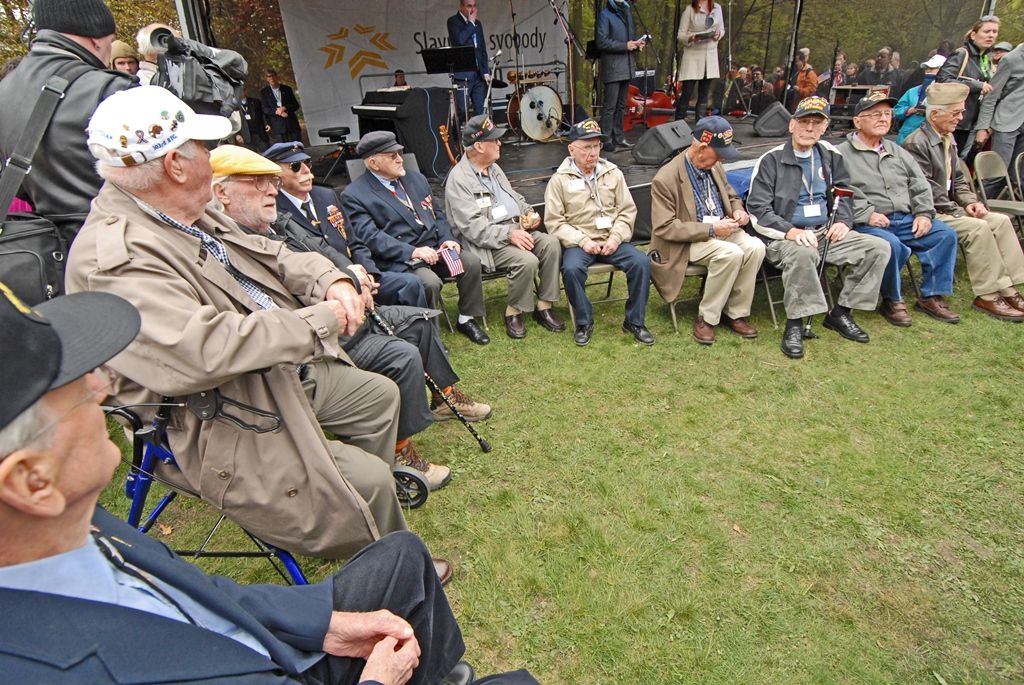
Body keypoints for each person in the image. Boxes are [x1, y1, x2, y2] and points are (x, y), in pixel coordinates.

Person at [0, 285, 539, 685]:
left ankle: (435, 673)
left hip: (280, 645)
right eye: (70, 388)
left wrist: (320, 623)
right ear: (31, 480)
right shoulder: (64, 664)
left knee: (401, 555)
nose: (102, 384)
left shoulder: (71, 529)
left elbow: (203, 594)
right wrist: (377, 682)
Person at [66, 86, 409, 561]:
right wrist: (319, 321)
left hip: (269, 370)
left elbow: (274, 253)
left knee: (378, 399)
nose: (212, 158)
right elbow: (203, 353)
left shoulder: (186, 211)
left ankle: (357, 516)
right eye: (204, 148)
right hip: (209, 414)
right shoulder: (116, 258)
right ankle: (382, 558)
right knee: (368, 481)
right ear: (175, 165)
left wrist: (330, 278)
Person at [211, 145, 491, 488]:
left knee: (419, 320)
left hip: (345, 306)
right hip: (317, 335)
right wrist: (337, 298)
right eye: (257, 183)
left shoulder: (278, 223)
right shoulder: (227, 244)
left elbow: (329, 252)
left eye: (270, 181)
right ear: (220, 193)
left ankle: (444, 396)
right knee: (401, 354)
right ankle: (400, 451)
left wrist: (349, 279)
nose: (271, 189)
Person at [747, 96, 891, 359]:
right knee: (803, 254)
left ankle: (841, 312)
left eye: (817, 122)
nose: (809, 128)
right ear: (791, 125)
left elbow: (844, 194)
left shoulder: (830, 155)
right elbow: (757, 210)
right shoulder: (770, 160)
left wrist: (842, 222)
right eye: (804, 121)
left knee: (878, 248)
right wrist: (791, 232)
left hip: (825, 231)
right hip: (785, 237)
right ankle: (795, 324)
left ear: (825, 127)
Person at [0, 0, 133, 246]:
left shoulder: (4, 90)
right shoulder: (112, 89)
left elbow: (14, 183)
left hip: (52, 253)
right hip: (125, 246)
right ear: (97, 37)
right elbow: (167, 175)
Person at [340, 131, 490, 345]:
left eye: (399, 153)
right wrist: (413, 251)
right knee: (428, 282)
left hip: (435, 248)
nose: (400, 159)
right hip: (404, 258)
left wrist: (447, 239)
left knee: (471, 263)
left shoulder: (415, 178)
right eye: (392, 156)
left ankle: (466, 318)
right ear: (373, 163)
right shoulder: (355, 195)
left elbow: (437, 214)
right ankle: (431, 336)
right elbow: (371, 237)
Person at [836, 91, 960, 327]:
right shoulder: (841, 154)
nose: (883, 119)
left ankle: (931, 296)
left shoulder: (897, 151)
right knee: (890, 245)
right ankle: (892, 299)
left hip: (905, 219)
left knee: (944, 235)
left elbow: (920, 185)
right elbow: (839, 191)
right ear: (857, 121)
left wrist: (924, 213)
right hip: (867, 223)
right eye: (875, 114)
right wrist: (866, 214)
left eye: (887, 114)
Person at [903, 82, 1024, 321]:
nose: (962, 117)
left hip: (950, 207)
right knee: (978, 228)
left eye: (961, 111)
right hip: (928, 212)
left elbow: (957, 179)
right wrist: (959, 211)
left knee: (999, 221)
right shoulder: (917, 143)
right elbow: (925, 190)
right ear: (935, 114)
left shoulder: (948, 138)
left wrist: (970, 202)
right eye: (956, 112)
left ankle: (1009, 288)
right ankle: (987, 295)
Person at [267, 141, 428, 309]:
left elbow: (354, 242)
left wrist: (368, 274)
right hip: (326, 287)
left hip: (359, 273)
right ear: (276, 175)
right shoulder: (274, 211)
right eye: (295, 166)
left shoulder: (326, 195)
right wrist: (352, 279)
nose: (307, 170)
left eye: (307, 162)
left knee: (411, 285)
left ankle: (421, 332)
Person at [445, 115, 564, 339]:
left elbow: (514, 197)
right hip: (488, 244)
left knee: (551, 244)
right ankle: (514, 311)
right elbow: (473, 228)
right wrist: (510, 234)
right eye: (495, 140)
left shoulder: (494, 168)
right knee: (526, 260)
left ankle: (544, 306)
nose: (500, 144)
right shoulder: (459, 179)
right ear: (479, 146)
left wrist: (528, 212)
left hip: (516, 230)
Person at [650, 116, 765, 345]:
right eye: (719, 153)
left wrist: (738, 210)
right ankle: (707, 318)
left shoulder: (715, 166)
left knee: (756, 247)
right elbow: (665, 227)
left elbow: (732, 196)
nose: (722, 159)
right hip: (686, 241)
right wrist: (711, 229)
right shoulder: (665, 178)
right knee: (729, 254)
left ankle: (735, 313)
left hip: (720, 229)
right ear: (702, 148)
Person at [544, 119, 654, 347]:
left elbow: (627, 211)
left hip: (612, 239)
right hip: (579, 242)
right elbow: (555, 222)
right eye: (586, 147)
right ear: (571, 149)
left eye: (596, 146)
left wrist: (616, 237)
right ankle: (584, 321)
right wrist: (582, 240)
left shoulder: (614, 173)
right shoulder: (559, 180)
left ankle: (634, 321)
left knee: (641, 262)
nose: (592, 153)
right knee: (571, 269)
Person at [938, 15, 1000, 159]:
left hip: (973, 123)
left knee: (961, 164)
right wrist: (977, 85)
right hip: (955, 121)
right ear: (973, 35)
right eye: (986, 31)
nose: (991, 35)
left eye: (995, 32)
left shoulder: (986, 59)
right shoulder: (962, 53)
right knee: (946, 161)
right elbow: (943, 80)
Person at [596, 0, 646, 152]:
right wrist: (625, 46)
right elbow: (602, 41)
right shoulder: (605, 15)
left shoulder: (627, 11)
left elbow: (629, 39)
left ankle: (619, 137)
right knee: (610, 106)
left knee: (621, 106)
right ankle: (606, 139)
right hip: (613, 66)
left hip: (627, 65)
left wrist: (637, 44)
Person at [975, 43, 1024, 176]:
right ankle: (985, 197)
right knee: (997, 174)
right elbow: (991, 95)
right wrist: (983, 127)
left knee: (1019, 177)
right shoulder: (1011, 59)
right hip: (1006, 123)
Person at [674, 0, 722, 124]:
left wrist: (718, 35)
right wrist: (691, 38)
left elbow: (721, 29)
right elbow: (680, 35)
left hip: (710, 56)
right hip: (693, 56)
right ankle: (678, 124)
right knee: (687, 93)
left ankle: (700, 125)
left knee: (704, 94)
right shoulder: (690, 10)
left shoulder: (717, 8)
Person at [447, 0, 490, 120]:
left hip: (479, 75)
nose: (472, 9)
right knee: (461, 110)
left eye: (474, 6)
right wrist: (470, 23)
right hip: (463, 75)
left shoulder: (478, 24)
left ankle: (479, 138)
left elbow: (482, 49)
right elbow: (459, 40)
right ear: (461, 7)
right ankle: (455, 137)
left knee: (481, 111)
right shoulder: (453, 21)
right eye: (469, 6)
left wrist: (486, 71)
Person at [894, 54, 946, 144]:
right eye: (926, 69)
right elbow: (896, 110)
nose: (928, 72)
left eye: (932, 68)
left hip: (930, 140)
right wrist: (909, 110)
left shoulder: (947, 95)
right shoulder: (913, 91)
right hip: (906, 138)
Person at [261, 69, 302, 144]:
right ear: (267, 79)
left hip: (291, 124)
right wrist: (278, 112)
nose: (272, 78)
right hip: (278, 127)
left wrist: (285, 108)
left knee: (297, 147)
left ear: (277, 76)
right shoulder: (264, 92)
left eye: (273, 76)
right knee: (284, 150)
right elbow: (265, 109)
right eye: (269, 76)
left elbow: (296, 105)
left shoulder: (287, 89)